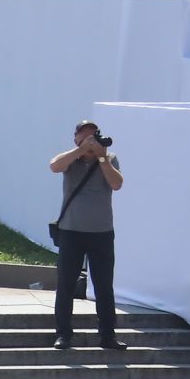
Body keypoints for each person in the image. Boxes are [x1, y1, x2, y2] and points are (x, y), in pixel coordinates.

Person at [48, 121, 123, 351]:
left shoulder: (109, 159)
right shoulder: (71, 158)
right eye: (86, 136)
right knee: (66, 284)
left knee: (104, 286)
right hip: (72, 231)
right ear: (76, 138)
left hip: (101, 232)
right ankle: (63, 334)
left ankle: (108, 336)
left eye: (94, 137)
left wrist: (102, 158)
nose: (91, 141)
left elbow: (116, 183)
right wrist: (81, 150)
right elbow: (54, 166)